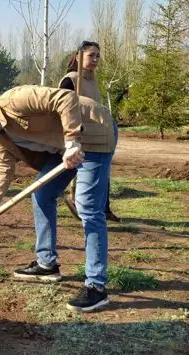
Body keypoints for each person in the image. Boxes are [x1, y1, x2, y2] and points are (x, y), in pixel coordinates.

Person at [0, 86, 116, 312]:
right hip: (64, 150)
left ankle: (96, 287)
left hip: (93, 134)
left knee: (88, 206)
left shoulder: (16, 99)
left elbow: (65, 97)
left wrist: (72, 141)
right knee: (42, 194)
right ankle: (47, 263)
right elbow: (4, 167)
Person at [59, 41, 120, 222]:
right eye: (91, 55)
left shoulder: (92, 79)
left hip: (100, 133)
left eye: (97, 56)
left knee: (103, 171)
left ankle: (104, 208)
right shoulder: (70, 79)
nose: (95, 59)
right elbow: (62, 108)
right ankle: (80, 203)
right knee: (81, 170)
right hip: (80, 133)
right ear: (79, 57)